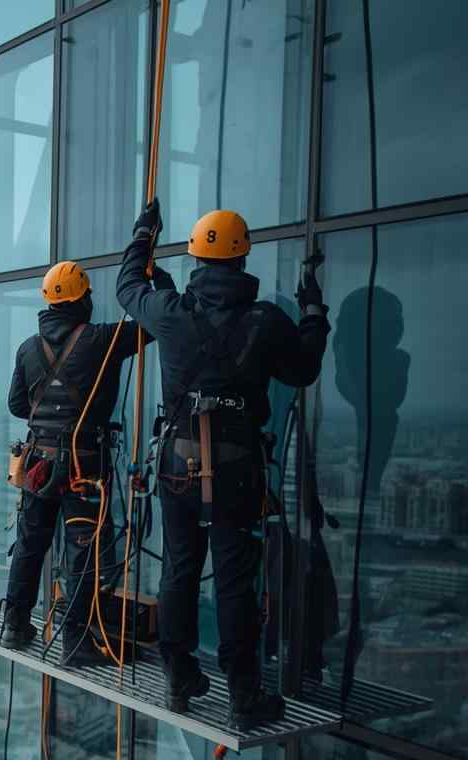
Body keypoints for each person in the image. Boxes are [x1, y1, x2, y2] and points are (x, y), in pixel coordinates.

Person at [116, 200, 330, 727]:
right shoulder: (265, 320)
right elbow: (302, 369)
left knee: (180, 567)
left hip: (178, 463)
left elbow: (126, 288)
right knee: (234, 577)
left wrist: (144, 233)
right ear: (242, 259)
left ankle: (178, 675)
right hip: (235, 469)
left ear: (195, 257)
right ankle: (242, 694)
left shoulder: (171, 311)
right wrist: (314, 315)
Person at [1, 260, 157, 660]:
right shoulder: (101, 339)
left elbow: (18, 404)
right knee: (83, 551)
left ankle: (15, 625)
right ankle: (76, 639)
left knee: (30, 544)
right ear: (81, 299)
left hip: (39, 462)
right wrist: (151, 282)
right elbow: (156, 325)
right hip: (82, 466)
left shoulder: (26, 349)